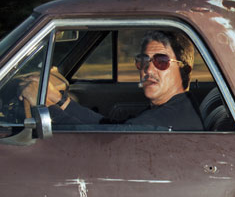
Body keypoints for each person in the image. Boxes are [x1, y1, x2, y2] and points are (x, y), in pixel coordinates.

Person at [23, 30, 204, 131]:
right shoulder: (174, 106)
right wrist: (59, 100)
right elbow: (113, 128)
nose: (148, 69)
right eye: (143, 60)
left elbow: (102, 141)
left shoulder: (166, 119)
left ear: (185, 70)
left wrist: (46, 108)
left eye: (161, 61)